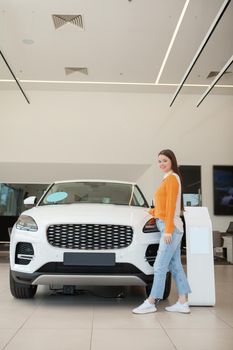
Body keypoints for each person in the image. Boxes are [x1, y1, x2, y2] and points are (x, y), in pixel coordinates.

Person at [133, 149, 191, 314]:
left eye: (164, 160)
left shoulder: (172, 178)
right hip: (168, 225)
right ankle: (183, 301)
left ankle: (151, 301)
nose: (161, 164)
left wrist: (168, 231)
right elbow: (162, 207)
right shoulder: (167, 179)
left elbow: (171, 205)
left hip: (169, 227)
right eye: (159, 161)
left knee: (159, 265)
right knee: (175, 265)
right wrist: (150, 212)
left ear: (172, 160)